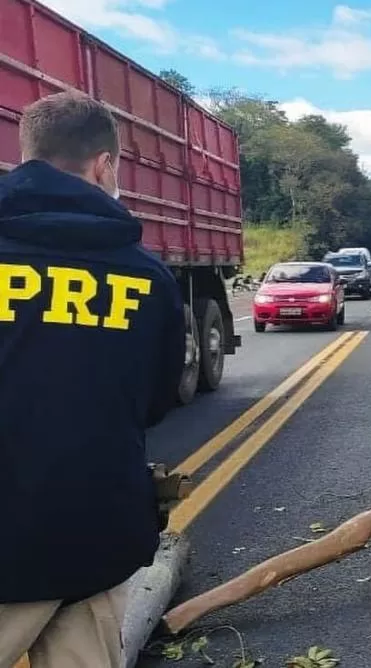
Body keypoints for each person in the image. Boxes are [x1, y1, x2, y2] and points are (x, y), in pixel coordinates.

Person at [0, 92, 186, 667]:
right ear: (104, 165)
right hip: (95, 533)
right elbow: (155, 402)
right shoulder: (148, 276)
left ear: (25, 156)